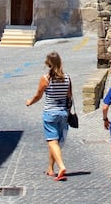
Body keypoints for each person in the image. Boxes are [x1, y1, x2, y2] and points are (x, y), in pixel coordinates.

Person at [25, 51, 73, 181]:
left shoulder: (45, 79)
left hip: (50, 113)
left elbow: (38, 95)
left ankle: (61, 166)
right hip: (63, 113)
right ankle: (51, 169)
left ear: (48, 63)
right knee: (55, 142)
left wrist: (30, 102)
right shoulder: (67, 78)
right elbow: (69, 96)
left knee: (52, 141)